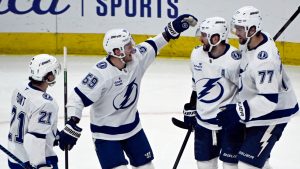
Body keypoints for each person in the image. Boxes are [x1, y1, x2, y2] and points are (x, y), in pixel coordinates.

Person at [58, 14, 198, 169]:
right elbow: (76, 98)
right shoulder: (100, 74)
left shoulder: (136, 57)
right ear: (117, 52)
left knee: (147, 167)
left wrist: (172, 30)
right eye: (128, 45)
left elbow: (154, 44)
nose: (133, 47)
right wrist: (71, 123)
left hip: (132, 128)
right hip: (106, 134)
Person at [217, 6, 299, 169]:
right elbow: (246, 68)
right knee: (258, 161)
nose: (236, 32)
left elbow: (269, 100)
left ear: (253, 29)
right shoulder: (254, 40)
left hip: (274, 113)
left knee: (247, 165)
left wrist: (239, 111)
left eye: (240, 28)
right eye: (236, 27)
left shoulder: (264, 63)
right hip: (257, 108)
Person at [183, 17, 244, 169]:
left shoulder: (235, 60)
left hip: (229, 124)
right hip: (203, 123)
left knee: (230, 166)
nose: (200, 38)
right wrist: (192, 106)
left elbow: (246, 90)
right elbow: (197, 85)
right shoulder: (196, 54)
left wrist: (239, 114)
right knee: (204, 165)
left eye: (204, 35)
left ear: (216, 38)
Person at [7, 54, 61, 169]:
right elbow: (35, 139)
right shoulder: (46, 104)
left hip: (14, 156)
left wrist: (53, 134)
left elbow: (31, 118)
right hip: (34, 161)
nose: (54, 75)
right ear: (47, 76)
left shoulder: (20, 88)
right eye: (53, 72)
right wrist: (40, 165)